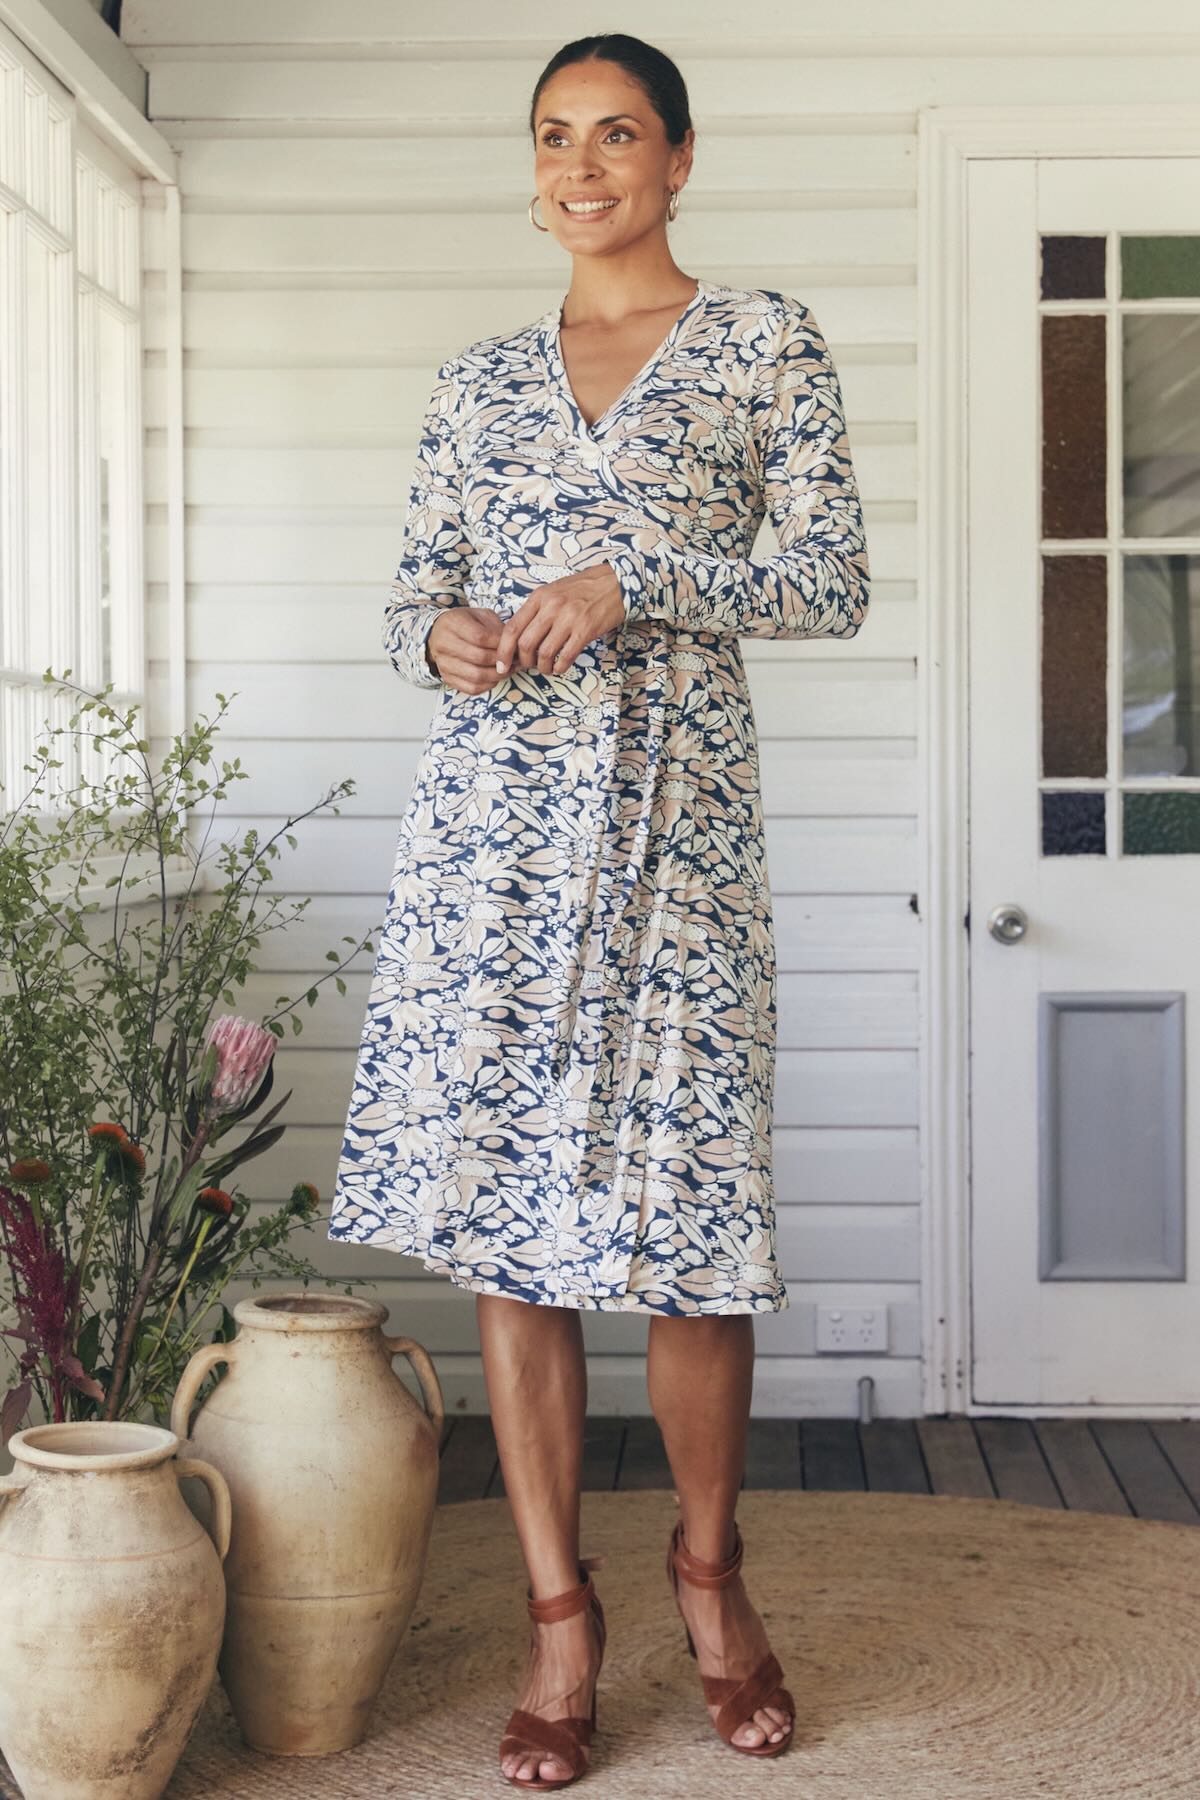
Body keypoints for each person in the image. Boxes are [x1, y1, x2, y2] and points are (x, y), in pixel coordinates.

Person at [327, 29, 871, 1791]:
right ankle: (561, 1622)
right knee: (513, 1239)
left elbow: (829, 580)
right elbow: (409, 594)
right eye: (555, 135)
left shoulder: (764, 341)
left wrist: (638, 575)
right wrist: (437, 635)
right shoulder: (477, 382)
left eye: (618, 134)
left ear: (680, 159)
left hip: (678, 850)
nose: (582, 165)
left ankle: (710, 1580)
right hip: (493, 854)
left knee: (693, 1237)